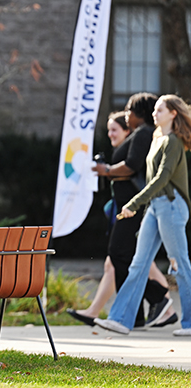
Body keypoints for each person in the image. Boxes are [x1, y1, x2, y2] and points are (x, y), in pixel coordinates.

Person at [94, 95, 191, 336]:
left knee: (179, 264)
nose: (155, 114)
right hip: (156, 206)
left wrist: (135, 203)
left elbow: (162, 178)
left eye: (160, 110)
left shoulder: (173, 142)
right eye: (155, 110)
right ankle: (120, 319)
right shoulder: (157, 138)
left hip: (171, 205)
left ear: (173, 114)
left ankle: (190, 322)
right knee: (138, 263)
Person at [68, 109, 175, 327]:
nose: (110, 134)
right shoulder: (133, 144)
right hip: (126, 209)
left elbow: (134, 169)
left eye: (114, 129)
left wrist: (107, 170)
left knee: (126, 260)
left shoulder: (141, 138)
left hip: (133, 210)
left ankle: (160, 301)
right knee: (120, 262)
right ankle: (134, 314)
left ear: (128, 131)